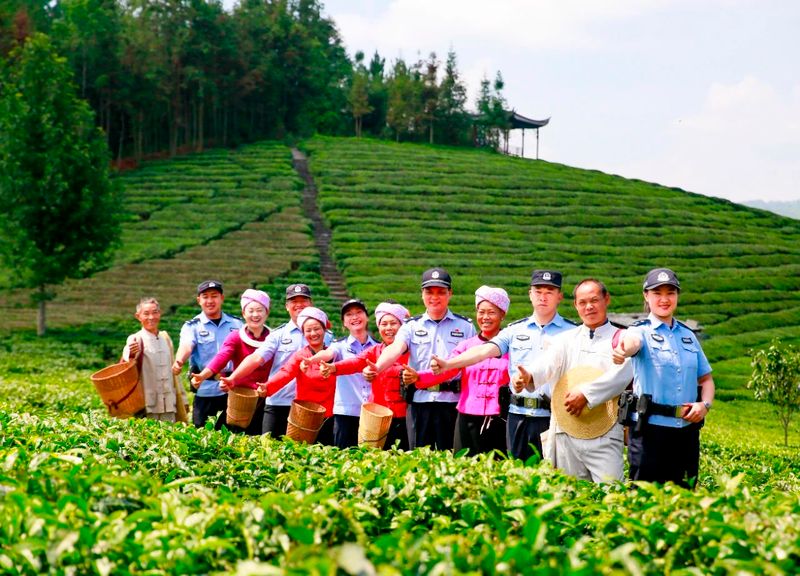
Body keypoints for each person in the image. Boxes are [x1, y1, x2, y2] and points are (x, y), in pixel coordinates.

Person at [430, 270, 577, 460]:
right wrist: (449, 364)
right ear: (530, 295)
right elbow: (483, 351)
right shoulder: (515, 330)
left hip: (553, 416)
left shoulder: (573, 332)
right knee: (515, 475)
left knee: (554, 475)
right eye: (538, 291)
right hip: (517, 415)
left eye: (549, 291)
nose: (543, 297)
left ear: (560, 296)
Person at [512, 278, 633, 483]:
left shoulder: (622, 338)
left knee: (612, 494)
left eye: (594, 300)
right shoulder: (565, 340)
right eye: (582, 302)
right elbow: (546, 364)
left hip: (604, 434)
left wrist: (586, 394)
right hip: (566, 433)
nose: (589, 307)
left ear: (607, 299)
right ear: (575, 305)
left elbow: (622, 374)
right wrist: (528, 376)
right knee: (570, 497)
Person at [612, 268, 715, 488]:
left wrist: (704, 405)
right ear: (646, 297)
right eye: (657, 293)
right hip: (650, 431)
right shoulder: (640, 331)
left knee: (685, 501)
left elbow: (706, 379)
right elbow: (630, 343)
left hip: (686, 432)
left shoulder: (688, 336)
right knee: (643, 500)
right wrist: (622, 349)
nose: (664, 299)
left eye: (670, 292)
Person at [372, 267, 476, 450]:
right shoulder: (411, 326)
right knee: (417, 459)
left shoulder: (465, 326)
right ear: (422, 294)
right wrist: (378, 367)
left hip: (451, 403)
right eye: (429, 292)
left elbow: (471, 361)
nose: (434, 297)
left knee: (450, 459)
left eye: (440, 292)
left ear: (450, 293)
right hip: (419, 402)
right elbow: (396, 348)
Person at [408, 286, 510, 455]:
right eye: (481, 312)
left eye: (491, 312)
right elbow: (448, 369)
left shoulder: (511, 345)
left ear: (502, 315)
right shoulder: (466, 345)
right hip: (467, 416)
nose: (485, 317)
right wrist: (418, 376)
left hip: (499, 417)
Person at [220, 283, 331, 438]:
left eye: (303, 300)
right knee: (268, 449)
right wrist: (233, 378)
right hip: (279, 402)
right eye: (294, 301)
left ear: (310, 303)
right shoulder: (278, 335)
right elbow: (256, 358)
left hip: (309, 407)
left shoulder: (327, 336)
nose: (299, 305)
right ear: (287, 306)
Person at [319, 301, 412, 450]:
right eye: (384, 324)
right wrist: (334, 367)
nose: (388, 328)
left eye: (393, 323)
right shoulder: (375, 350)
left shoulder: (412, 351)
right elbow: (356, 362)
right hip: (377, 420)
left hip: (406, 417)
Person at [190, 289, 272, 435]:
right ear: (243, 314)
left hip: (264, 398)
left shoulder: (274, 337)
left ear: (267, 312)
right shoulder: (236, 337)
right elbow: (221, 357)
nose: (255, 315)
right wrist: (202, 376)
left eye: (260, 310)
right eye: (251, 310)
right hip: (239, 398)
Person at [258, 307, 336, 445]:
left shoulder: (335, 352)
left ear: (324, 330)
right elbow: (286, 372)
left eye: (317, 329)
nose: (313, 333)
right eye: (308, 330)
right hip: (303, 416)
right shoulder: (301, 355)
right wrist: (267, 386)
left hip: (329, 416)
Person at [173, 280, 241, 428]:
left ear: (222, 298)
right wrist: (179, 361)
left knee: (235, 438)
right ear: (199, 300)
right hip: (205, 391)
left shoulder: (237, 324)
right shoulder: (192, 326)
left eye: (214, 296)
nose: (210, 301)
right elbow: (186, 346)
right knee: (203, 437)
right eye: (205, 296)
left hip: (232, 391)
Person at [316, 299, 378, 448]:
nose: (355, 317)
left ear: (367, 317)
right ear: (344, 322)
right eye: (349, 314)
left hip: (371, 415)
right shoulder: (339, 345)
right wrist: (313, 360)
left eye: (359, 312)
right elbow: (328, 353)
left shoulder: (378, 347)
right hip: (346, 412)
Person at [123, 297, 188, 423]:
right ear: (138, 316)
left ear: (160, 313)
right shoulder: (135, 339)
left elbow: (174, 374)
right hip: (147, 405)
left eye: (155, 312)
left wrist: (183, 399)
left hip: (169, 404)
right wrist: (131, 354)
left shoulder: (166, 338)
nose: (151, 317)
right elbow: (127, 363)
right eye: (146, 314)